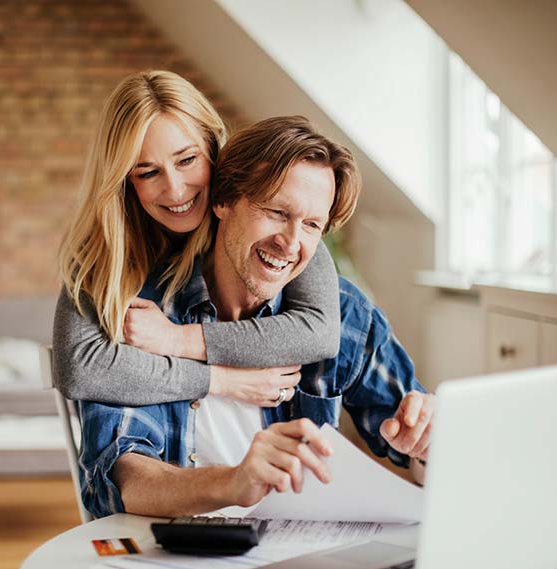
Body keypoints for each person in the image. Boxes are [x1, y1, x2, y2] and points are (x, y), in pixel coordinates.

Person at [77, 116, 434, 518]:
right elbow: (122, 479)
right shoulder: (144, 316)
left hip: (301, 555)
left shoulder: (344, 313)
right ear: (223, 201)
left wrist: (427, 444)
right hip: (177, 555)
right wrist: (232, 482)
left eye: (312, 225)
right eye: (277, 212)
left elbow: (417, 453)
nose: (291, 243)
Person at [54, 71, 352, 410]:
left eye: (187, 160)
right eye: (149, 172)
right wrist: (222, 380)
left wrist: (177, 340)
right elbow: (80, 368)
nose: (176, 190)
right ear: (125, 181)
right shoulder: (104, 250)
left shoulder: (261, 216)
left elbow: (318, 332)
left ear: (212, 147)